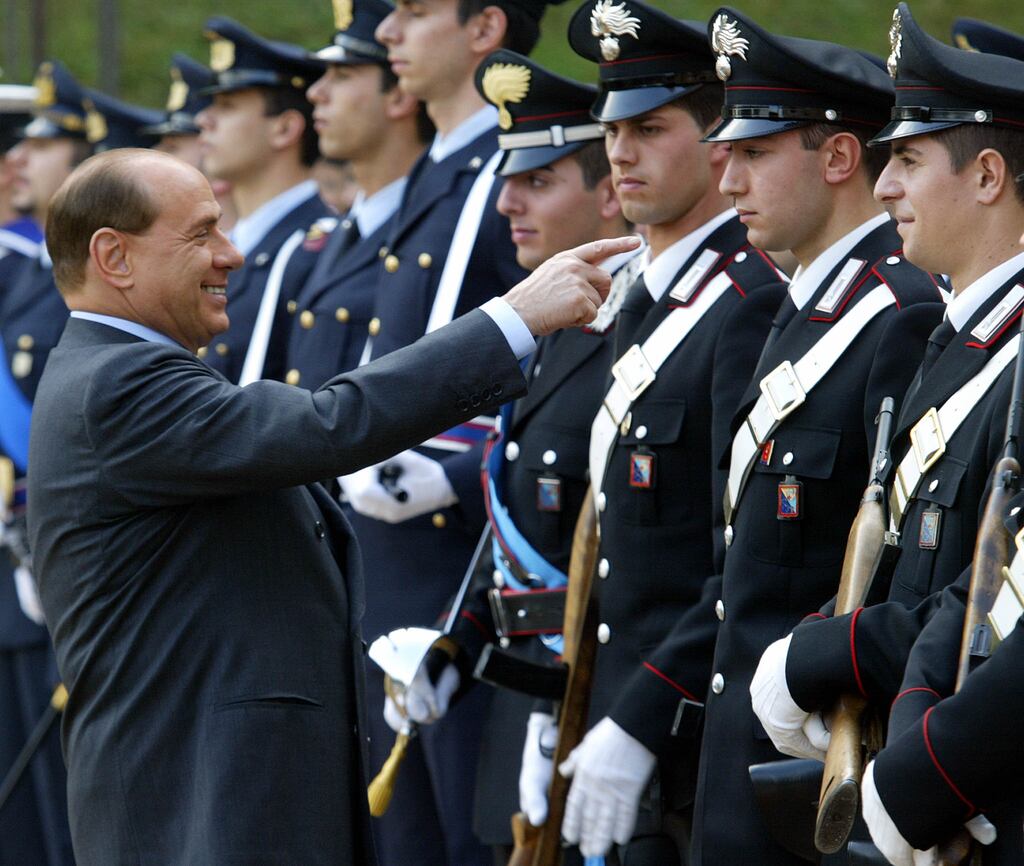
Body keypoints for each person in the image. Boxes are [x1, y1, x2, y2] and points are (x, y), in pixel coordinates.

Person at [28, 146, 636, 866]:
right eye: (200, 234)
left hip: (224, 796)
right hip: (201, 806)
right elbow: (327, 425)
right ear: (114, 256)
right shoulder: (117, 385)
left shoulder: (120, 370)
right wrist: (512, 319)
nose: (231, 255)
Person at [593, 8, 943, 865]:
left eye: (754, 153)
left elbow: (892, 567)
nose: (729, 173)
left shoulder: (895, 317)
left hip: (812, 771)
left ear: (834, 158)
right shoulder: (796, 313)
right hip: (739, 760)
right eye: (729, 151)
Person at [509, 3, 789, 862]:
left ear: (718, 142)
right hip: (607, 727)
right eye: (612, 128)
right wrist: (560, 703)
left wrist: (641, 717)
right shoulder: (637, 293)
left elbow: (741, 560)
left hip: (684, 747)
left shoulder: (746, 305)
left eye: (650, 127)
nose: (620, 151)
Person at [747, 7, 1024, 864]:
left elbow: (995, 608)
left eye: (907, 159)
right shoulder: (950, 342)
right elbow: (946, 588)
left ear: (986, 176)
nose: (883, 187)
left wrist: (920, 771)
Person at [382, 48, 640, 862]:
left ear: (608, 192)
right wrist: (454, 642)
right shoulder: (564, 331)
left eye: (538, 181)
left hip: (595, 695)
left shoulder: (643, 328)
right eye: (507, 181)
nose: (506, 205)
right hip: (521, 681)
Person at [343, 0, 564, 860]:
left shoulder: (502, 166)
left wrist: (458, 461)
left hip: (464, 567)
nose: (388, 32)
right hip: (399, 570)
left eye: (415, 10)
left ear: (485, 30)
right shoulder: (440, 168)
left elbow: (568, 347)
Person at [281, 0, 432, 389]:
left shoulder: (433, 224)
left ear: (399, 96)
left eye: (343, 74)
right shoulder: (349, 230)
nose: (316, 92)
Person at [195, 17, 329, 383]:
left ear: (284, 128)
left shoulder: (317, 247)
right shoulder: (241, 242)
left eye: (228, 105)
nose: (205, 119)